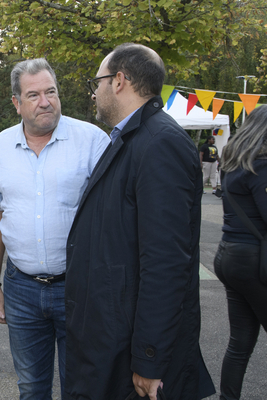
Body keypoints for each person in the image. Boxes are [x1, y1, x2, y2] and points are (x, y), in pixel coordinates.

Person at [64, 43, 215, 400]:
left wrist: (150, 359)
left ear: (119, 81)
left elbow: (166, 264)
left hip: (129, 347)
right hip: (111, 336)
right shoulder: (130, 139)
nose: (94, 91)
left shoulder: (160, 143)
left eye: (96, 82)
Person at [0, 58, 110, 399]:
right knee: (31, 387)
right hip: (21, 289)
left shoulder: (93, 141)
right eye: (34, 94)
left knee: (80, 387)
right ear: (17, 102)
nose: (45, 101)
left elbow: (113, 216)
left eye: (51, 92)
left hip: (80, 289)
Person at [214, 105, 267, 400]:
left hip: (229, 256)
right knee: (240, 341)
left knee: (241, 342)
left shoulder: (234, 164)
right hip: (253, 261)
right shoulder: (261, 166)